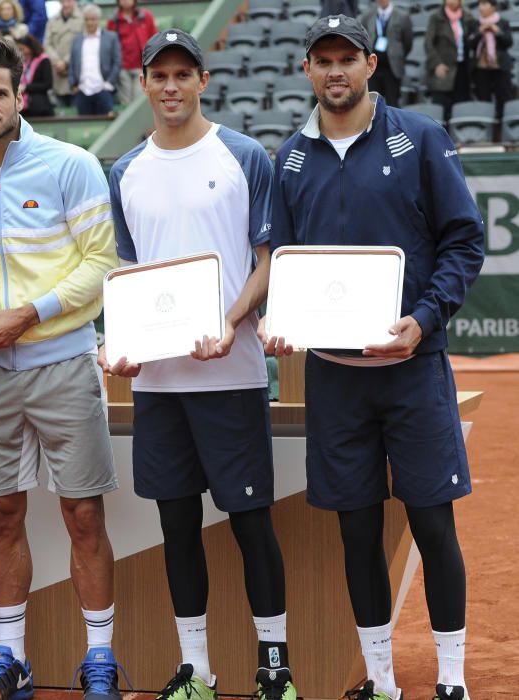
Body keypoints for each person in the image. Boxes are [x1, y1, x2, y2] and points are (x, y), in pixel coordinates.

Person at [261, 15, 485, 700]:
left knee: (432, 522)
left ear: (371, 64)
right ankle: (382, 682)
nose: (336, 71)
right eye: (323, 59)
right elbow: (284, 262)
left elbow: (464, 243)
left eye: (347, 58)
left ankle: (450, 680)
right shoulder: (290, 159)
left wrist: (421, 321)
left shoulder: (419, 138)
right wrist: (279, 317)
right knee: (356, 532)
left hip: (413, 370)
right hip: (336, 380)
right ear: (306, 69)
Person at [102, 28, 300, 700]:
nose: (171, 87)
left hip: (233, 375)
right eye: (160, 76)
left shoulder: (244, 156)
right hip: (158, 385)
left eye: (183, 74)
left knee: (250, 523)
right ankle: (198, 670)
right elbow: (128, 271)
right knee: (176, 524)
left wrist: (231, 318)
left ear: (203, 81)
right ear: (144, 85)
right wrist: (118, 342)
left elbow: (268, 260)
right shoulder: (123, 171)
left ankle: (275, 664)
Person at [0, 36, 122, 700]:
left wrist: (28, 315)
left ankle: (99, 659)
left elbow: (101, 268)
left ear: (20, 95)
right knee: (0, 517)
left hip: (64, 363)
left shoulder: (71, 164)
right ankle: (10, 656)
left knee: (82, 514)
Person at [425, 0, 475, 123]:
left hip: (463, 70)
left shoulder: (467, 18)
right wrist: (437, 64)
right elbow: (428, 44)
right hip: (444, 69)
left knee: (461, 109)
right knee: (442, 107)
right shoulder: (436, 17)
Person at [70, 5, 121, 116]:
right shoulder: (77, 40)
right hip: (82, 90)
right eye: (87, 19)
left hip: (103, 89)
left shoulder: (111, 37)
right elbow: (72, 63)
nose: (90, 23)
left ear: (98, 20)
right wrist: (73, 84)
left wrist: (109, 83)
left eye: (93, 19)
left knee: (106, 125)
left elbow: (117, 62)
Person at [360, 0, 413, 107]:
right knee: (372, 103)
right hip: (373, 68)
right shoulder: (368, 15)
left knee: (393, 103)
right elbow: (363, 38)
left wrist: (398, 55)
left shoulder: (402, 16)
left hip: (393, 69)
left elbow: (407, 42)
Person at [468, 0, 513, 123]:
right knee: (483, 99)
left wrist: (496, 30)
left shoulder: (503, 22)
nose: (480, 7)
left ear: (493, 7)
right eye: (479, 4)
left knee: (504, 98)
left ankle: (503, 128)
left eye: (484, 4)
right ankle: (485, 127)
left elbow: (508, 42)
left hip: (500, 67)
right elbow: (470, 43)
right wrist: (480, 31)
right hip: (481, 68)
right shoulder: (474, 23)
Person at [106, 0, 157, 106]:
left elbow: (154, 40)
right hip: (122, 68)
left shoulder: (146, 16)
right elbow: (109, 46)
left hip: (142, 66)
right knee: (126, 104)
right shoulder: (113, 20)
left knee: (139, 102)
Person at [44, 0, 83, 106]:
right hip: (57, 71)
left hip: (74, 71)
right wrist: (57, 61)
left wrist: (65, 62)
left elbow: (82, 44)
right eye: (63, 1)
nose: (66, 4)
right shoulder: (52, 21)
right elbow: (47, 44)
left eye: (69, 1)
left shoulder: (82, 19)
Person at [17, 33, 55, 116]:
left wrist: (26, 87)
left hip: (40, 107)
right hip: (25, 107)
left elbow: (47, 84)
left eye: (23, 49)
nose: (21, 52)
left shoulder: (44, 60)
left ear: (30, 47)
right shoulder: (24, 62)